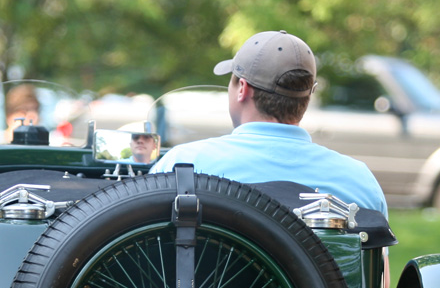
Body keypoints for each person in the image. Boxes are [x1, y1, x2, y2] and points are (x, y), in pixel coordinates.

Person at [149, 30, 387, 216]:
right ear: (308, 96)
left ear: (242, 88)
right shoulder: (359, 181)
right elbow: (378, 276)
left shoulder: (183, 167)